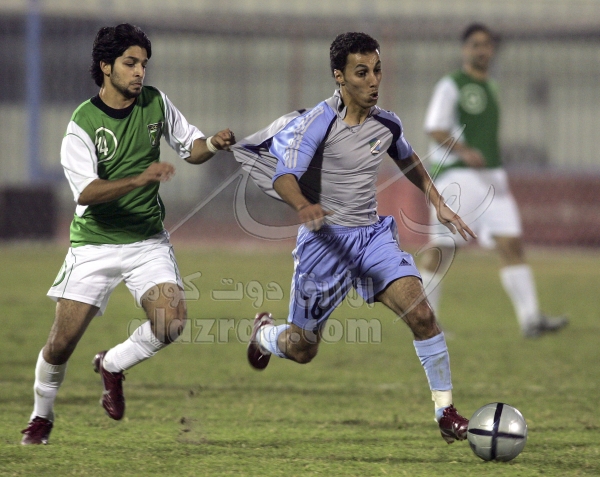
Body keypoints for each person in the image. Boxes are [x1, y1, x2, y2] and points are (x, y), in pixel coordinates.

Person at [233, 32, 475, 445]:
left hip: (372, 238)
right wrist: (303, 206)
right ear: (339, 77)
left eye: (377, 70)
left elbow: (408, 158)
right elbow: (284, 176)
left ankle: (446, 411)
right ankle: (264, 334)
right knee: (302, 349)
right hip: (324, 246)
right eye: (362, 73)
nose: (373, 80)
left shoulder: (387, 123)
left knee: (422, 315)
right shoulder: (318, 123)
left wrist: (438, 202)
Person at [20, 23, 235, 445]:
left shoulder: (155, 103)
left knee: (171, 323)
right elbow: (86, 192)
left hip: (146, 242)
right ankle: (41, 416)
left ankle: (113, 364)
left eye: (143, 65)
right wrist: (139, 179)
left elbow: (191, 148)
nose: (139, 72)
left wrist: (212, 142)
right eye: (130, 63)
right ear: (106, 66)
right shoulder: (82, 123)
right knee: (60, 345)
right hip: (94, 245)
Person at [420, 23, 568, 339]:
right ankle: (425, 323)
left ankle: (531, 319)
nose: (482, 50)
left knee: (511, 243)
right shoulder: (452, 84)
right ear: (465, 49)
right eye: (475, 44)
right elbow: (434, 128)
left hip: (493, 178)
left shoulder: (491, 86)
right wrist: (464, 151)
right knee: (444, 248)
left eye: (486, 45)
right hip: (457, 176)